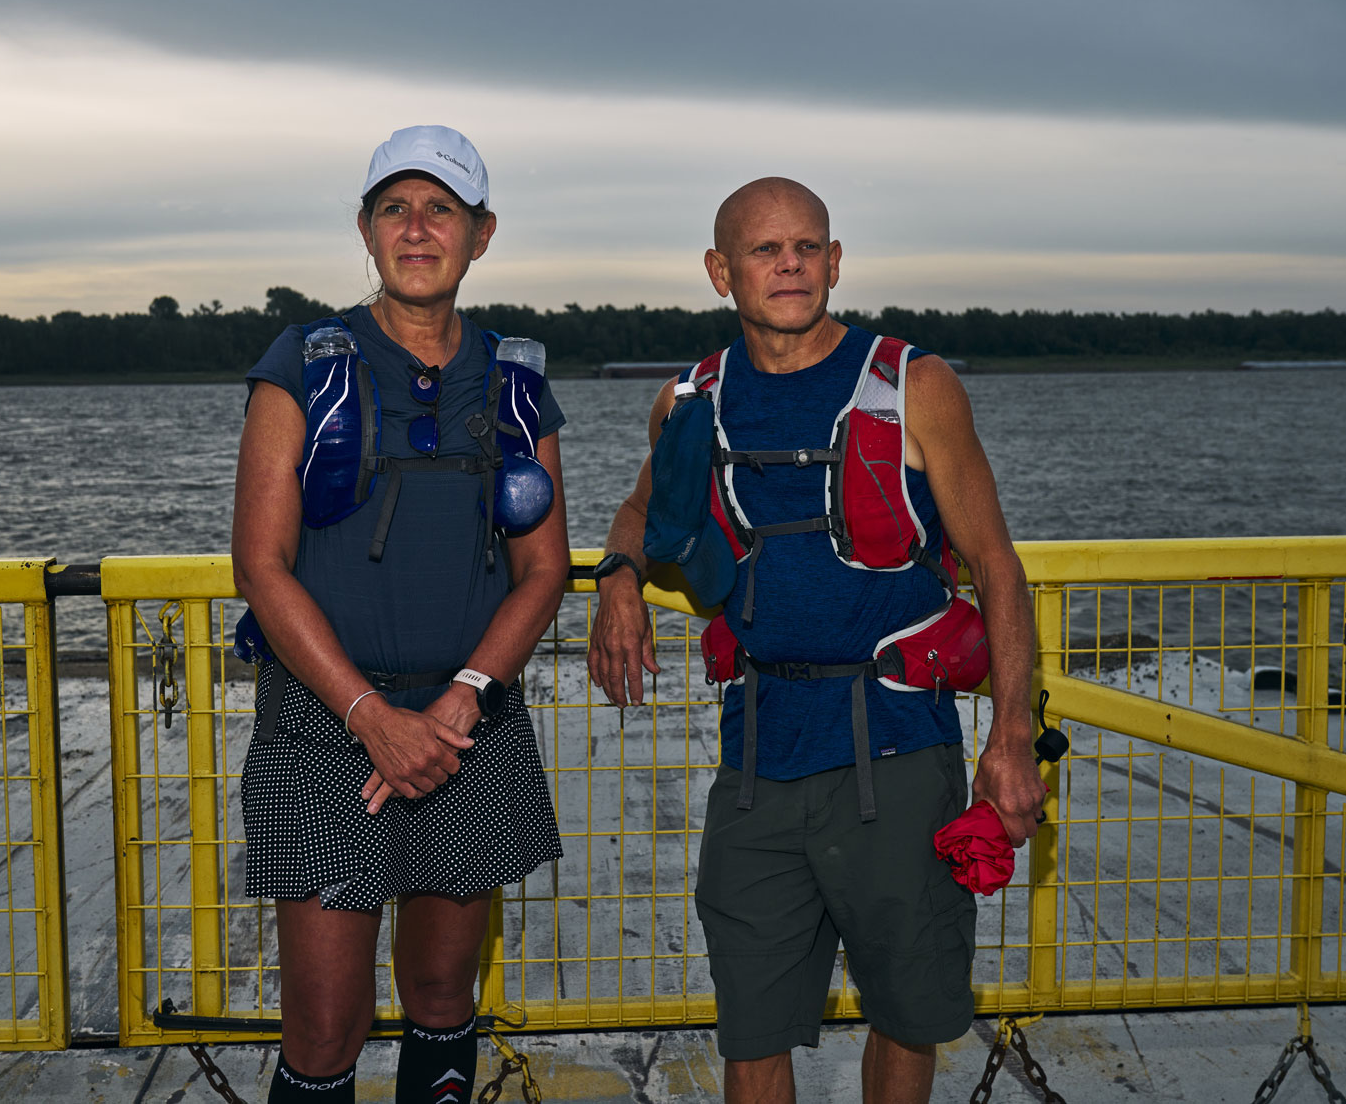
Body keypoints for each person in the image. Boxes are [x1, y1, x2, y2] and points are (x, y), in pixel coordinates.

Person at [585, 177, 1049, 1104]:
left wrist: (1009, 741)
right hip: (757, 758)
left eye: (807, 247)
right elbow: (644, 504)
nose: (789, 263)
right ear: (721, 271)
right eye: (765, 249)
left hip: (898, 750)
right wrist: (618, 577)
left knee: (907, 1013)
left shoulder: (915, 384)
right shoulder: (693, 401)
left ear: (835, 263)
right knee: (752, 1024)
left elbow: (998, 565)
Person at [233, 126, 570, 1104]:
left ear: (481, 233)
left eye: (442, 210)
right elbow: (259, 564)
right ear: (364, 228)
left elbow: (541, 568)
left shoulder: (514, 385)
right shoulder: (301, 362)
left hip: (468, 731)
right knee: (327, 1025)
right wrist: (370, 718)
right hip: (327, 731)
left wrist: (464, 696)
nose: (417, 228)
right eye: (395, 208)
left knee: (437, 991)